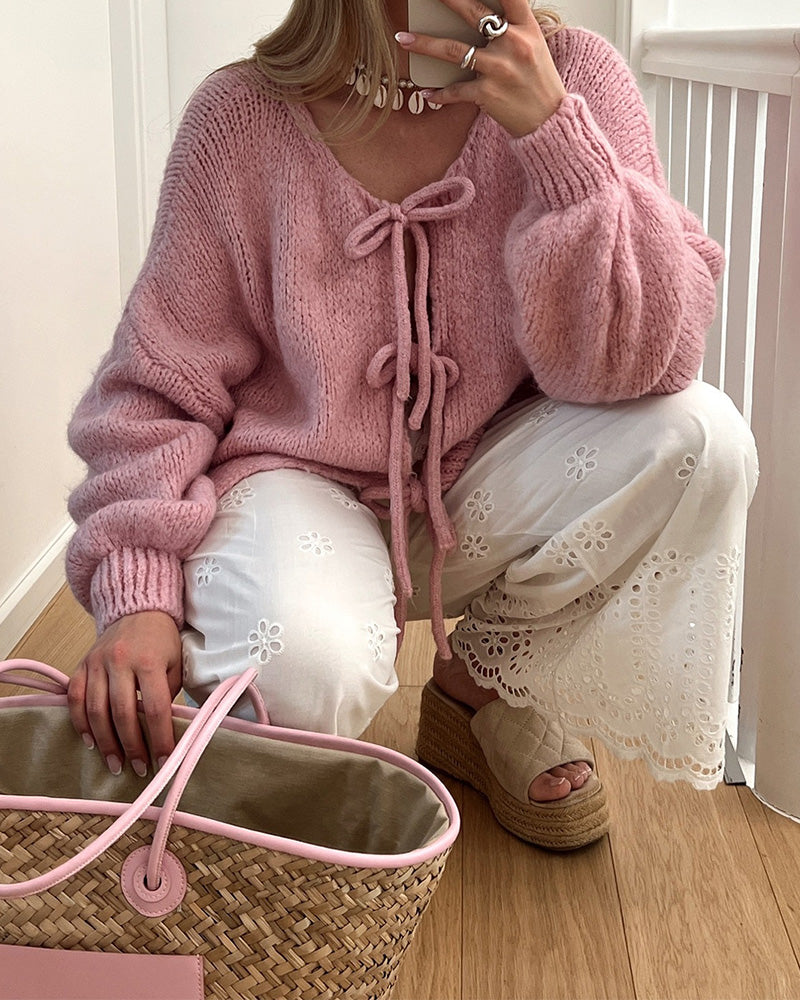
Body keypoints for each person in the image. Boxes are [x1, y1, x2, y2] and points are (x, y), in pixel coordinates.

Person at [65, 0, 757, 850]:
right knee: (299, 675)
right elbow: (158, 386)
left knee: (701, 439)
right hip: (292, 482)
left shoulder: (577, 78)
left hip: (484, 488)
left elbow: (649, 364)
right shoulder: (241, 116)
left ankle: (484, 690)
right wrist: (137, 595)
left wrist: (555, 141)